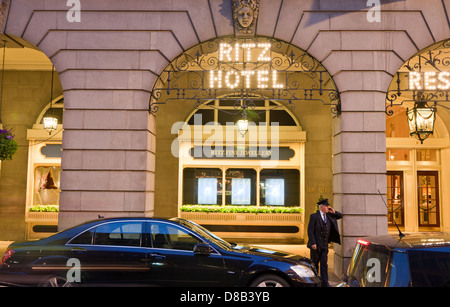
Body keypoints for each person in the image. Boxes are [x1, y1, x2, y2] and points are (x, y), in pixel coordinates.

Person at [307, 198, 343, 287]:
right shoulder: (314, 216)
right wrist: (313, 243)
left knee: (324, 264)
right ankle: (314, 283)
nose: (328, 208)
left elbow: (340, 216)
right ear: (321, 207)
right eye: (326, 206)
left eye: (328, 206)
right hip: (316, 245)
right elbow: (310, 231)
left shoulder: (330, 216)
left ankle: (325, 283)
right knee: (314, 265)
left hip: (325, 245)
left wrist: (333, 211)